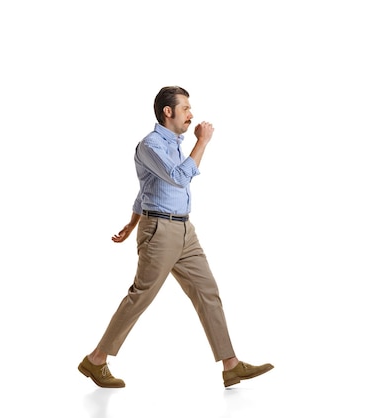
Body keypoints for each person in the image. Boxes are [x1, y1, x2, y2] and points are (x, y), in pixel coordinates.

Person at [78, 86, 273, 388]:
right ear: (168, 112)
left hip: (184, 231)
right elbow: (181, 178)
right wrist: (203, 142)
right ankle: (96, 359)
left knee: (208, 291)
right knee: (141, 296)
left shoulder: (174, 144)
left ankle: (231, 364)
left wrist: (131, 224)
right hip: (160, 232)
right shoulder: (151, 145)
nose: (191, 115)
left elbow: (147, 189)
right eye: (186, 109)